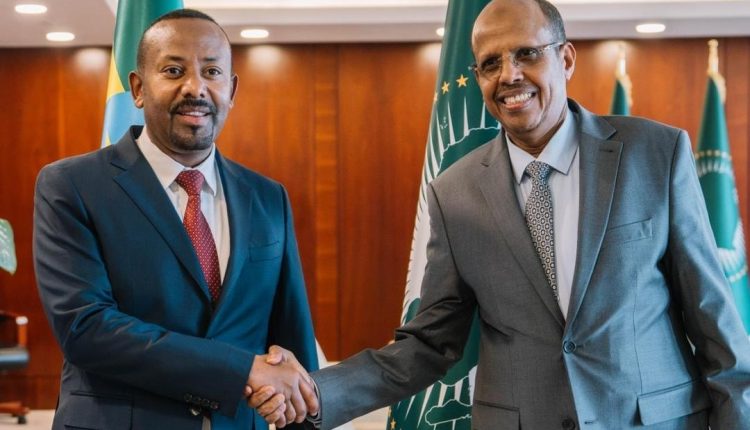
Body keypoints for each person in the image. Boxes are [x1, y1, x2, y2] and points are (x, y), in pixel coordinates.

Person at [251, 0, 750, 428]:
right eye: (490, 63)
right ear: (477, 78)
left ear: (566, 58)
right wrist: (316, 391)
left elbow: (715, 323)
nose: (509, 75)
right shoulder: (455, 194)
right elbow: (429, 344)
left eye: (527, 53)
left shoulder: (656, 154)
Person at [33, 9, 318, 430]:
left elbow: (291, 337)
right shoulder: (71, 185)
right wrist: (241, 369)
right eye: (173, 70)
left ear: (231, 89)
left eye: (212, 72)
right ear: (138, 88)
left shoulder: (267, 196)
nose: (195, 88)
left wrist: (303, 406)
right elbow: (86, 329)